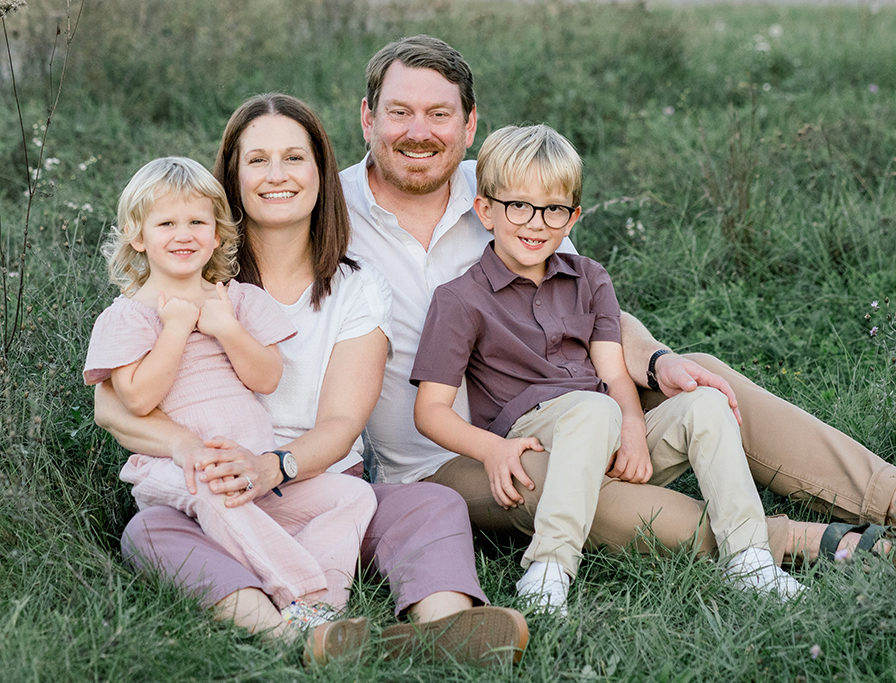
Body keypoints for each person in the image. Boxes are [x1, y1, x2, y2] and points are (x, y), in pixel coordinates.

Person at [343, 35, 896, 561]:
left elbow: (582, 304)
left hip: (565, 403)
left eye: (438, 114)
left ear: (469, 124)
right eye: (400, 113)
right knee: (558, 481)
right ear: (368, 118)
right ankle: (794, 542)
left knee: (702, 378)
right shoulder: (330, 216)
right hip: (442, 460)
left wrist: (658, 361)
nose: (418, 132)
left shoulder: (503, 188)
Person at [94, 95, 529, 667]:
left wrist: (272, 467)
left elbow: (343, 422)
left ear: (322, 174)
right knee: (149, 532)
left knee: (432, 505)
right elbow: (112, 406)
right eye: (258, 161)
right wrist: (189, 449)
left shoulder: (356, 287)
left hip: (314, 485)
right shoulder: (187, 271)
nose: (277, 175)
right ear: (232, 178)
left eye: (294, 158)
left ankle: (443, 626)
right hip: (207, 485)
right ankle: (287, 632)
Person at [411, 124, 806, 612]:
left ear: (572, 217)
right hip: (537, 437)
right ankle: (549, 568)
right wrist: (493, 450)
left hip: (608, 428)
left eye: (553, 209)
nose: (536, 223)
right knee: (592, 410)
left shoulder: (590, 279)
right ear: (486, 210)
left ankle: (750, 559)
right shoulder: (459, 300)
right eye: (519, 205)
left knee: (703, 403)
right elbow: (430, 411)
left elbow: (616, 373)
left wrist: (635, 429)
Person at [85, 157, 375, 628]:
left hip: (251, 467)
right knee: (212, 490)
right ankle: (304, 595)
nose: (184, 234)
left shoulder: (238, 300)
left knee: (352, 496)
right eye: (167, 223)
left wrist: (227, 329)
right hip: (177, 472)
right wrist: (176, 330)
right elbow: (136, 399)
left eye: (198, 221)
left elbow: (267, 377)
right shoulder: (128, 316)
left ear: (217, 234)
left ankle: (323, 611)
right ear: (138, 236)